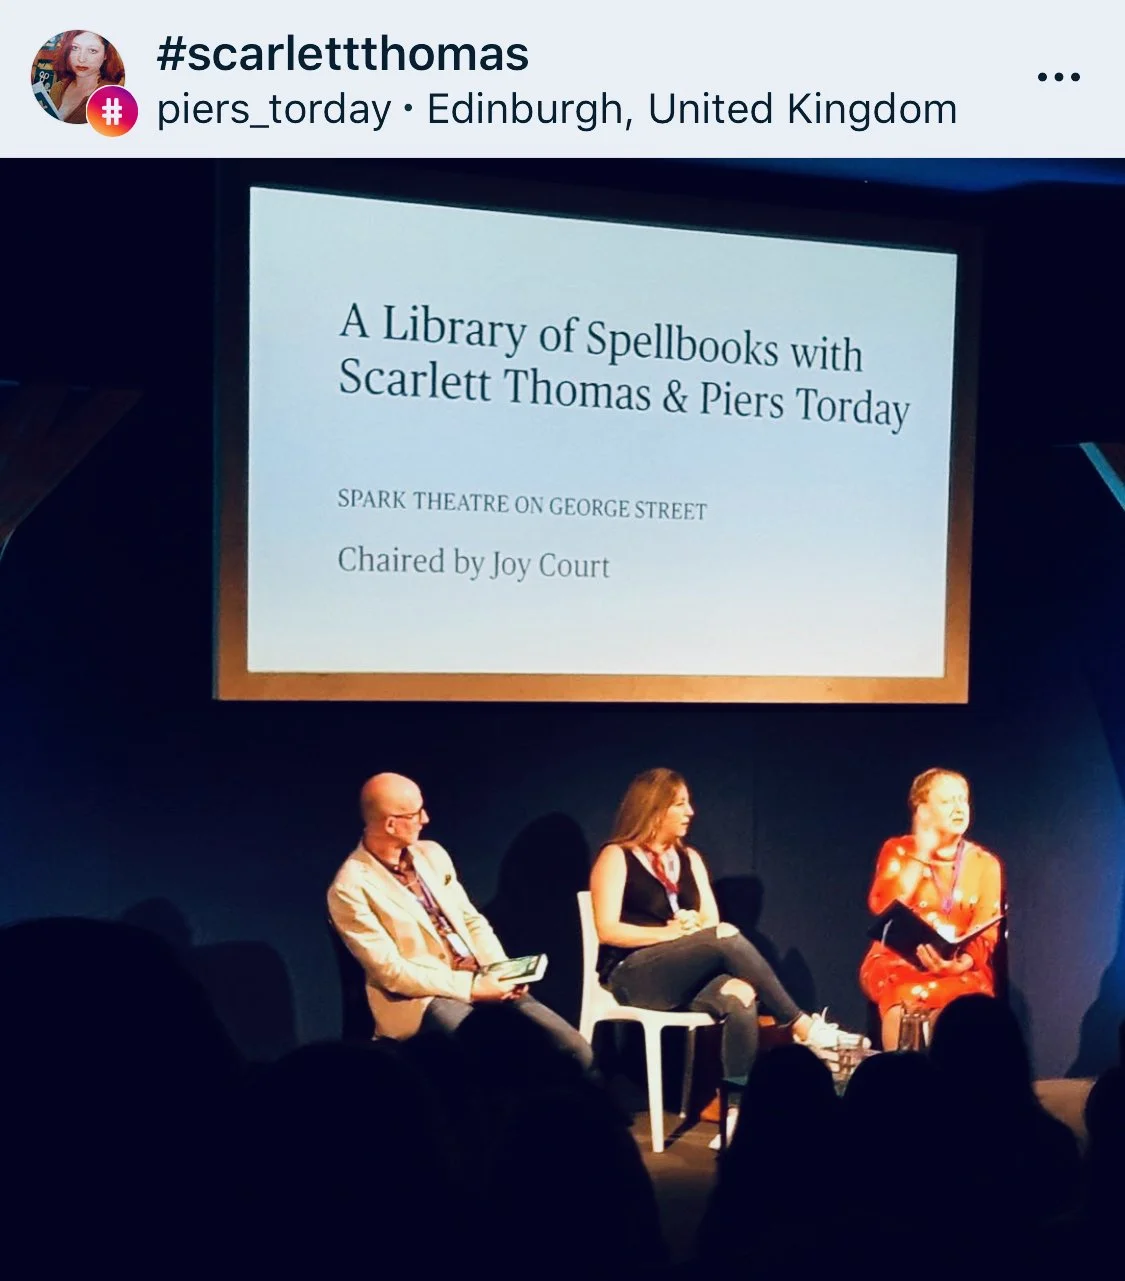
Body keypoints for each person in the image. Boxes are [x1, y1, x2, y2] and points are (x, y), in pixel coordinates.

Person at [590, 768, 862, 1146]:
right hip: (632, 974)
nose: (691, 812)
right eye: (680, 804)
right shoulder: (617, 856)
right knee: (724, 938)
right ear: (654, 809)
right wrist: (671, 933)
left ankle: (736, 1114)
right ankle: (801, 1026)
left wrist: (691, 927)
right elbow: (607, 929)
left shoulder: (690, 859)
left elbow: (711, 921)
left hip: (682, 973)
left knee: (741, 996)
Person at [328, 772, 592, 1069]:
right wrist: (471, 989)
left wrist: (502, 972)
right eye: (415, 814)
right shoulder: (350, 887)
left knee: (573, 1050)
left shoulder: (432, 854)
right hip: (424, 997)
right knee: (499, 1059)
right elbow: (393, 972)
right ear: (390, 824)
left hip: (482, 979)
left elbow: (471, 919)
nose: (425, 819)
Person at [860, 768, 1004, 1050]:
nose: (958, 808)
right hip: (899, 961)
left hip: (960, 967)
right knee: (902, 999)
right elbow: (884, 906)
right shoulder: (898, 850)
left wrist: (960, 963)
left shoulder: (986, 864)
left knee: (958, 1009)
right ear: (922, 811)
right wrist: (922, 855)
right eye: (947, 801)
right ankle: (905, 1083)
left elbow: (987, 930)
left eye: (962, 799)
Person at [48, 31, 125, 124]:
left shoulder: (113, 96)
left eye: (92, 50)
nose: (81, 59)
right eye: (75, 48)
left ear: (106, 55)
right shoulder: (57, 88)